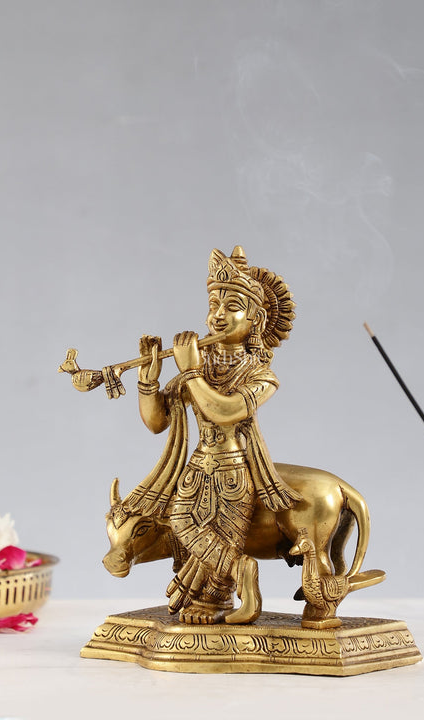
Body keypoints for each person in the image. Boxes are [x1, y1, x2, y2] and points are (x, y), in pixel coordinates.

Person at [122, 246, 299, 624]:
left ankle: (222, 595)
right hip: (197, 465)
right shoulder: (202, 366)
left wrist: (190, 372)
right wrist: (148, 382)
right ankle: (236, 573)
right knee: (182, 525)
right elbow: (157, 422)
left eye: (231, 307)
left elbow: (227, 410)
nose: (217, 315)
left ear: (255, 319)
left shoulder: (260, 374)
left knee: (220, 534)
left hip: (234, 470)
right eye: (213, 305)